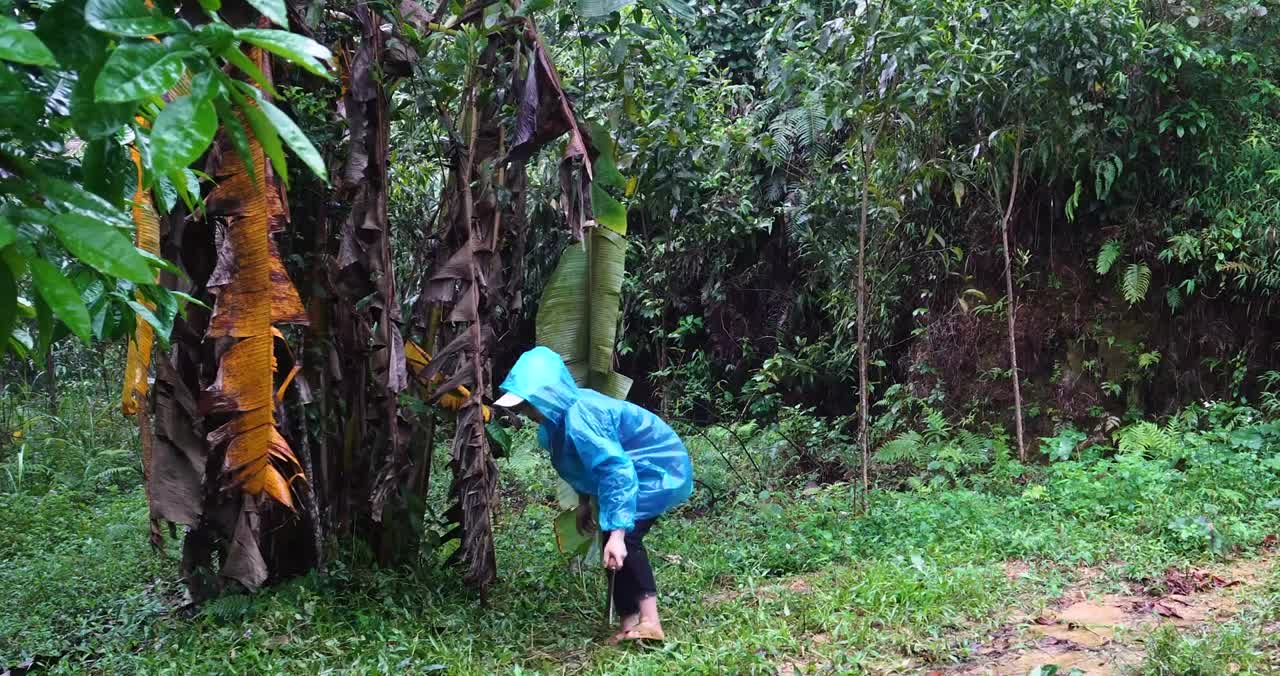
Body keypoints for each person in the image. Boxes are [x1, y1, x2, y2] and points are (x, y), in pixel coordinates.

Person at [494, 346, 693, 643]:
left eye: (529, 404)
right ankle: (629, 624)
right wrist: (584, 503)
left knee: (627, 538)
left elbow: (617, 471)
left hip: (657, 466)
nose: (526, 412)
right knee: (611, 544)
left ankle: (651, 621)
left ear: (549, 395)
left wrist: (617, 534)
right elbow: (580, 467)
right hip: (631, 470)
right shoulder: (555, 426)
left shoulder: (580, 418)